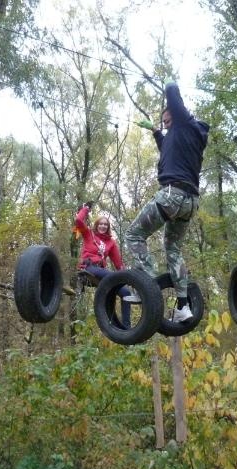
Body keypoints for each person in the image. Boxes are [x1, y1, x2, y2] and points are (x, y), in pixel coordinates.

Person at [127, 80, 210, 322]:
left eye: (167, 121)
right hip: (190, 202)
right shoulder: (188, 136)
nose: (165, 125)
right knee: (173, 249)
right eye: (163, 123)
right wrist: (155, 131)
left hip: (172, 196)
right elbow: (167, 147)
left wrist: (169, 84)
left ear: (178, 115)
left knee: (133, 234)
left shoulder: (184, 122)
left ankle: (147, 286)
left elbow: (173, 91)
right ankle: (183, 306)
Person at [75, 201, 131, 329]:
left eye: (105, 224)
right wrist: (86, 209)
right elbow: (78, 221)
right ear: (96, 225)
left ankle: (126, 329)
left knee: (126, 293)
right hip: (89, 268)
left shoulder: (111, 242)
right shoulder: (89, 234)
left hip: (101, 271)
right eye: (101, 224)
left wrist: (129, 279)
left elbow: (118, 264)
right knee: (113, 277)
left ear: (108, 227)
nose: (103, 226)